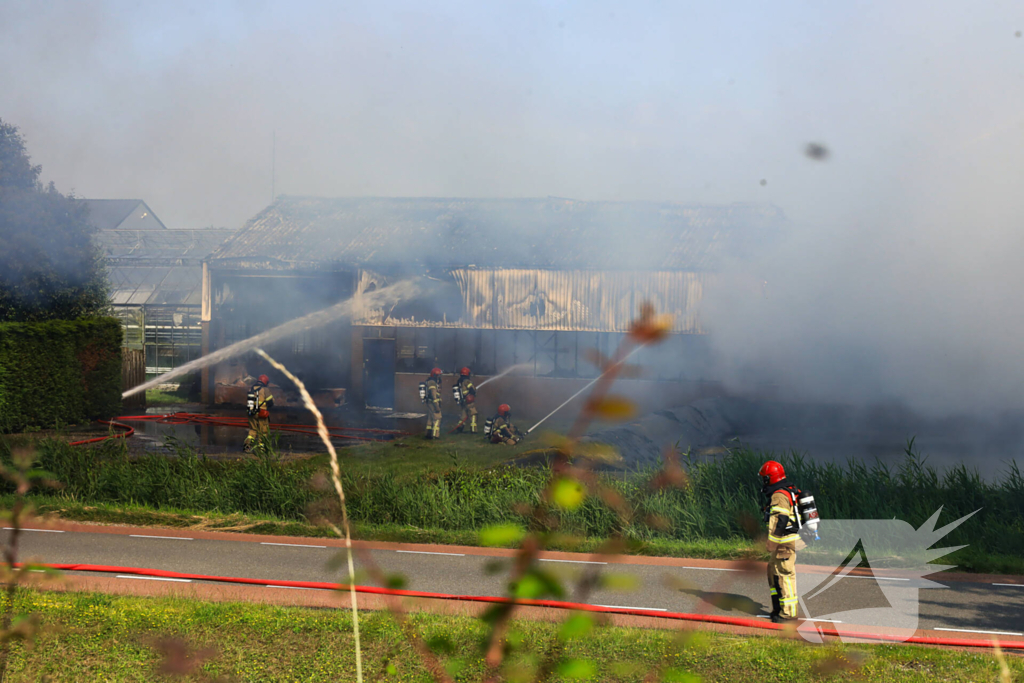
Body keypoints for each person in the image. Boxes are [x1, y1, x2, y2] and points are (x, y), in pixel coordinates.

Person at [760, 460, 806, 623]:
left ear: (769, 478)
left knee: (785, 574)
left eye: (765, 478)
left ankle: (788, 614)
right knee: (773, 571)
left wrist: (772, 541)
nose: (763, 482)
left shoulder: (779, 495)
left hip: (784, 542)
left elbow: (781, 519)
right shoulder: (788, 490)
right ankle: (778, 608)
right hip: (787, 540)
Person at [244, 374, 274, 452]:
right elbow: (270, 402)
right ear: (265, 382)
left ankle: (247, 446)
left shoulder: (252, 388)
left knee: (253, 430)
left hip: (251, 412)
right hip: (262, 413)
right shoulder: (265, 389)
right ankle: (261, 448)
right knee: (263, 431)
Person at [454, 367, 478, 433]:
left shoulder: (459, 381)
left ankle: (459, 427)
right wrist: (474, 390)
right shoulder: (467, 381)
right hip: (469, 401)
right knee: (473, 414)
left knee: (463, 415)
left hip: (463, 401)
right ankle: (473, 429)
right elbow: (471, 389)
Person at [423, 367, 443, 439]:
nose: (439, 377)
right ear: (435, 375)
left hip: (430, 402)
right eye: (438, 375)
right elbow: (433, 395)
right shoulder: (432, 382)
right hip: (433, 403)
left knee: (430, 418)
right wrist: (437, 406)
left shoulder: (430, 381)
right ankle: (435, 435)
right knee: (437, 418)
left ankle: (428, 433)